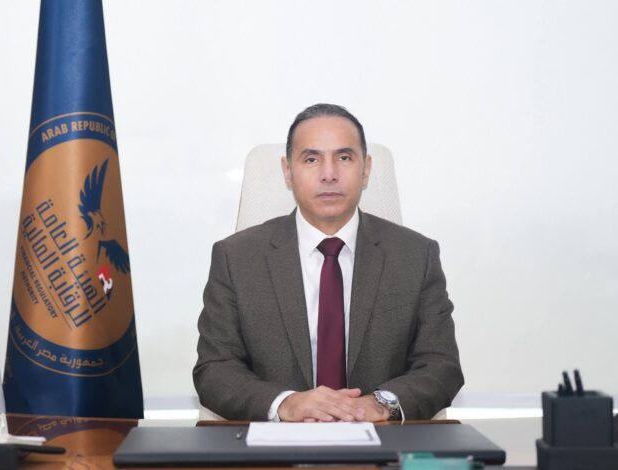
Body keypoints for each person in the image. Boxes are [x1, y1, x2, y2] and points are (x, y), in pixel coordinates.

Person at [193, 103, 463, 422]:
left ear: (366, 169)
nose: (329, 174)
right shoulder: (236, 258)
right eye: (311, 159)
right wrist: (285, 404)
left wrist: (379, 405)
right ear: (287, 172)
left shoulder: (416, 255)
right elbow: (215, 370)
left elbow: (441, 366)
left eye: (344, 157)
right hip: (276, 443)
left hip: (382, 440)